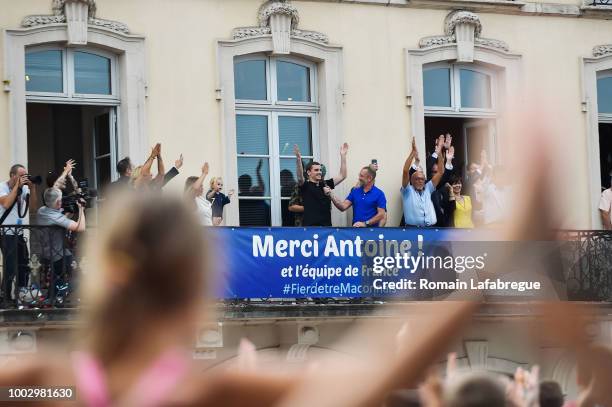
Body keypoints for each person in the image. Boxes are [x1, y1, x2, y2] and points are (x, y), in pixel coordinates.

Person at [36, 187, 86, 304]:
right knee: (79, 277)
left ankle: (53, 298)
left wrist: (68, 212)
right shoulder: (54, 216)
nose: (62, 202)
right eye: (61, 200)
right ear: (58, 202)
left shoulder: (42, 210)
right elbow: (81, 227)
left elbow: (60, 220)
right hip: (59, 255)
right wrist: (81, 209)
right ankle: (59, 296)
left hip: (49, 254)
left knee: (56, 280)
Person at [0, 164, 37, 308]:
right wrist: (17, 187)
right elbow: (7, 204)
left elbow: (33, 208)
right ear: (12, 175)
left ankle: (21, 294)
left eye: (25, 175)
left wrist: (32, 188)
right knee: (9, 266)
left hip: (19, 232)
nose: (24, 178)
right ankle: (5, 296)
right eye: (21, 175)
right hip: (5, 233)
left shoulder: (25, 188)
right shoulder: (2, 187)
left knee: (23, 264)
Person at [295, 143, 349, 227]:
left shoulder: (326, 184)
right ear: (309, 172)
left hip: (326, 228)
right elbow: (299, 177)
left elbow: (342, 175)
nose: (319, 172)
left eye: (320, 170)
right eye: (316, 170)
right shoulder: (306, 185)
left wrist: (343, 156)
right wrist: (298, 160)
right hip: (310, 227)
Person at [401, 138, 445, 227]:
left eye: (422, 179)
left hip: (430, 230)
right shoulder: (407, 191)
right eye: (416, 179)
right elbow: (405, 171)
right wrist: (413, 153)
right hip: (412, 231)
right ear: (411, 181)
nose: (420, 181)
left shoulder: (428, 188)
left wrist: (439, 152)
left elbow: (440, 172)